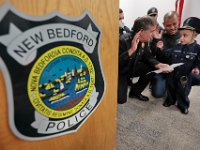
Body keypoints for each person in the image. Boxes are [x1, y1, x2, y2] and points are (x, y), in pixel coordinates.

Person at [162, 17, 200, 114]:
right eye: (180, 35)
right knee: (170, 88)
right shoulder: (177, 45)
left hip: (185, 76)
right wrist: (161, 48)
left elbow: (198, 62)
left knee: (183, 91)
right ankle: (170, 100)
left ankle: (183, 105)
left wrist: (196, 68)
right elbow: (168, 53)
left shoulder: (197, 49)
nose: (181, 38)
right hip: (173, 73)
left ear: (194, 35)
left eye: (185, 35)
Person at [127, 16, 170, 102]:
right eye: (152, 31)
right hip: (121, 70)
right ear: (142, 32)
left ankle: (135, 92)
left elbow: (148, 56)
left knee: (150, 68)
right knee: (120, 98)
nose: (153, 34)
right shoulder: (124, 40)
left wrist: (158, 65)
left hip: (133, 66)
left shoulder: (144, 41)